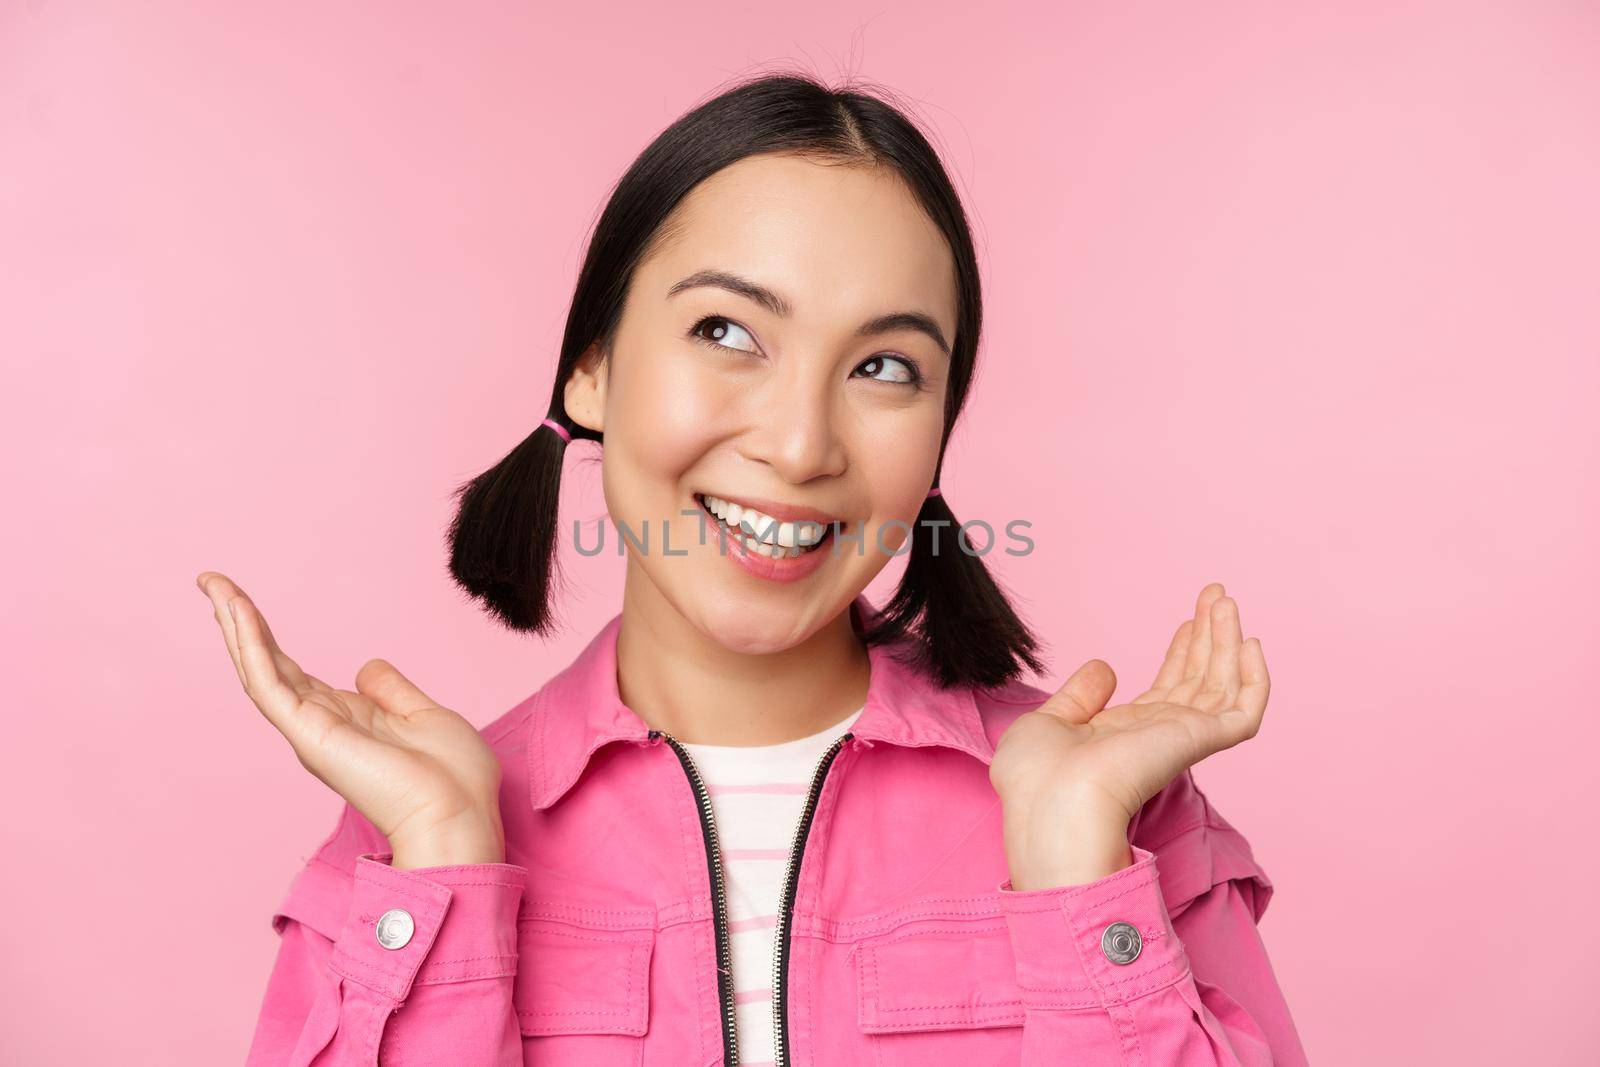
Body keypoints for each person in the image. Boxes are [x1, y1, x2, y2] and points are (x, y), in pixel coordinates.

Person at [203, 72, 1308, 1066]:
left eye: (883, 366)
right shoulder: (404, 841)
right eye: (727, 331)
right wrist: (446, 857)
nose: (799, 445)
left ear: (936, 436)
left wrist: (1075, 874)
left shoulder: (1119, 817)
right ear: (590, 369)